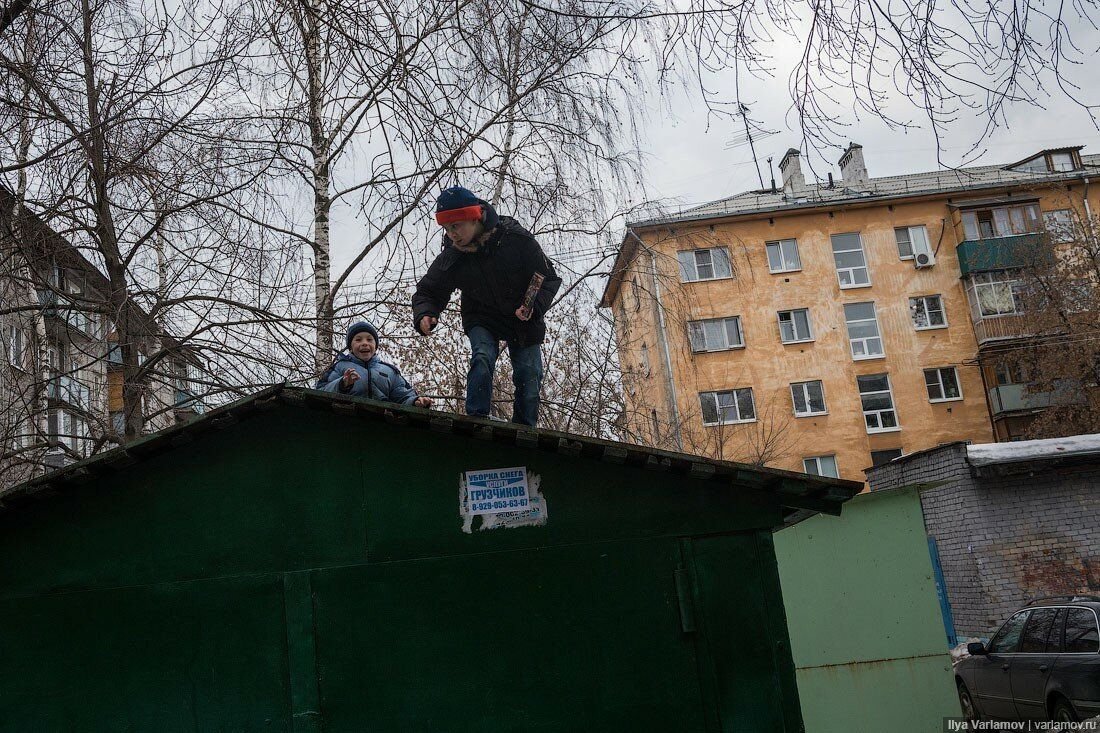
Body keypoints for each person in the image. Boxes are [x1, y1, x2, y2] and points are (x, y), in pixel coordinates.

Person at [412, 186, 560, 426]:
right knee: (482, 356)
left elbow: (548, 277)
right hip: (482, 317)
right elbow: (428, 290)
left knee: (529, 375)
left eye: (456, 226)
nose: (452, 235)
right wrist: (426, 313)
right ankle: (477, 418)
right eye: (447, 229)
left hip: (522, 317)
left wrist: (533, 307)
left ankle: (524, 427)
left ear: (475, 216)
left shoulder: (515, 238)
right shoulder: (453, 256)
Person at [316, 320, 432, 407]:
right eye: (358, 339)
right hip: (347, 417)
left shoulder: (389, 371)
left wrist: (415, 401)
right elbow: (321, 392)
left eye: (369, 339)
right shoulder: (340, 366)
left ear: (375, 346)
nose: (365, 343)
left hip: (382, 422)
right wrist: (342, 384)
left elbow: (402, 396)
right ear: (350, 347)